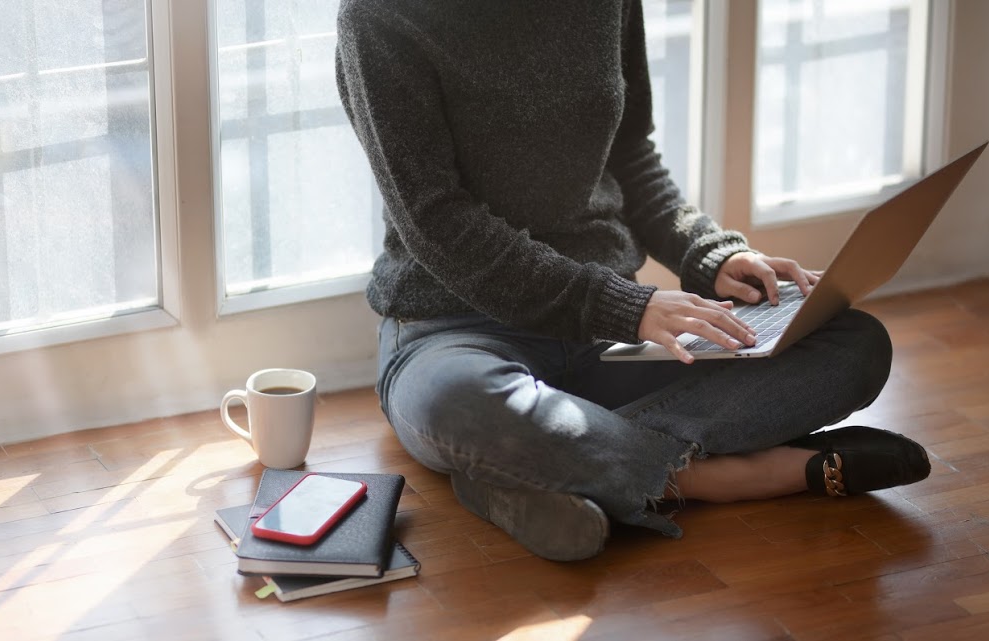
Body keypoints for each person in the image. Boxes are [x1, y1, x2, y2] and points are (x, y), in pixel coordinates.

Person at [335, 0, 931, 561]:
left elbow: (629, 157)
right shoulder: (379, 17)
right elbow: (436, 222)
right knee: (460, 405)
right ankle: (723, 477)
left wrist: (711, 253)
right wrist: (625, 305)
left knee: (853, 344)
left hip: (607, 338)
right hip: (454, 332)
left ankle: (544, 469)